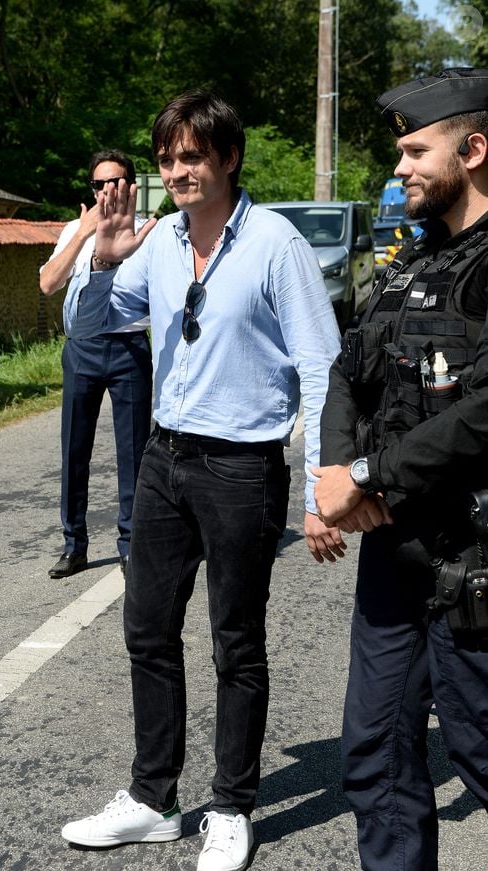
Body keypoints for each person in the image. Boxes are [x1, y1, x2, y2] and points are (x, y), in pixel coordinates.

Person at [60, 90, 342, 870]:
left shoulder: (276, 245)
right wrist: (103, 256)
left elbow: (320, 367)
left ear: (227, 158)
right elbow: (91, 325)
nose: (178, 170)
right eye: (167, 158)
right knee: (147, 629)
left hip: (241, 467)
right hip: (164, 458)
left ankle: (231, 805)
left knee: (234, 641)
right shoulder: (157, 243)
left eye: (192, 155)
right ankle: (154, 799)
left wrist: (323, 481)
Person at [313, 67, 488, 870]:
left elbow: (481, 416)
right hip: (394, 562)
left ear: (474, 149)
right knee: (377, 756)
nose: (400, 167)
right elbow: (348, 374)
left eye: (417, 150)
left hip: (475, 564)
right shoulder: (407, 266)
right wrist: (333, 479)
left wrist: (370, 477)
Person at [40, 150, 152, 579]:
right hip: (82, 348)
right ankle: (74, 544)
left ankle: (130, 544)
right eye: (99, 184)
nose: (107, 190)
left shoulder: (147, 233)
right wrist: (84, 232)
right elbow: (49, 283)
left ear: (130, 185)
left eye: (116, 181)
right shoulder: (75, 228)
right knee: (75, 450)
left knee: (134, 453)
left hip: (128, 349)